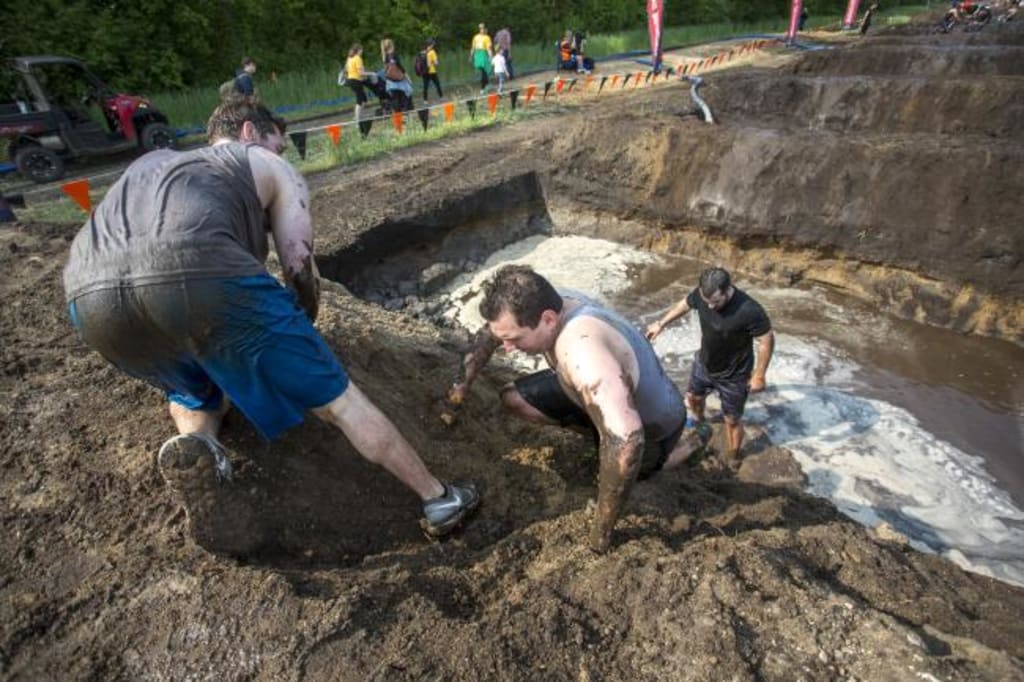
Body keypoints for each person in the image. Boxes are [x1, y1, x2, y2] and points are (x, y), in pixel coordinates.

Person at [62, 100, 479, 555]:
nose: (283, 154)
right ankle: (438, 498)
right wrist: (302, 331)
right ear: (249, 132)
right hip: (197, 272)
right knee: (341, 402)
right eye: (280, 144)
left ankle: (199, 445)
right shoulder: (262, 162)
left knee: (193, 388)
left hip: (90, 297)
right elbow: (298, 264)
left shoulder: (152, 164)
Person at [448, 265, 712, 554]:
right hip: (603, 392)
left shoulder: (582, 351)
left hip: (655, 423)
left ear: (548, 319)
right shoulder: (543, 302)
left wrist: (600, 535)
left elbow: (627, 441)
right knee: (514, 398)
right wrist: (461, 386)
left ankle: (693, 441)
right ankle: (599, 431)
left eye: (515, 340)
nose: (507, 348)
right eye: (505, 339)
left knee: (635, 469)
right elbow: (492, 332)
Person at [645, 267, 774, 466]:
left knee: (731, 420)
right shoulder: (702, 294)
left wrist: (759, 375)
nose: (711, 307)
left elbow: (766, 340)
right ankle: (701, 423)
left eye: (716, 301)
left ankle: (734, 455)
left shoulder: (749, 310)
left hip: (734, 375)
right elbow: (685, 304)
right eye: (707, 302)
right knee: (693, 399)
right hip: (704, 364)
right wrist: (661, 324)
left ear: (727, 289)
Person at [342, 43, 375, 121]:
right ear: (358, 50)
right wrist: (371, 73)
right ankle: (357, 118)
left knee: (364, 99)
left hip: (351, 80)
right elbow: (361, 73)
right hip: (356, 81)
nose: (362, 52)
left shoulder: (349, 58)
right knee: (360, 100)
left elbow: (346, 69)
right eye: (361, 50)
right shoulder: (358, 58)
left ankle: (359, 115)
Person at [381, 38, 414, 112]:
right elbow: (400, 66)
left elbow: (385, 69)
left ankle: (398, 117)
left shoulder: (385, 56)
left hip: (390, 80)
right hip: (399, 79)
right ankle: (406, 113)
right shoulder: (394, 54)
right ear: (392, 45)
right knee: (404, 96)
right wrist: (408, 77)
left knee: (395, 99)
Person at [469, 23, 493, 94]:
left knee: (484, 71)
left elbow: (488, 49)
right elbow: (473, 47)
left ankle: (484, 87)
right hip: (477, 54)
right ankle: (485, 86)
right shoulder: (475, 37)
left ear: (485, 29)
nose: (482, 29)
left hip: (483, 54)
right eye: (480, 28)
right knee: (483, 71)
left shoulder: (487, 37)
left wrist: (490, 57)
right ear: (479, 29)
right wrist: (471, 56)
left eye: (483, 28)